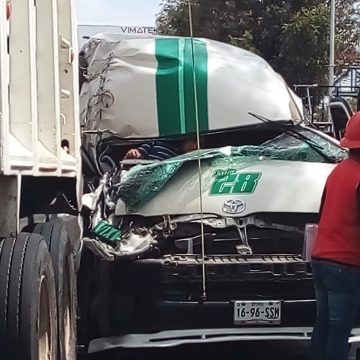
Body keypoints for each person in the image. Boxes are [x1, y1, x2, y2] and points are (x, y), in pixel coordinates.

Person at [311, 112, 360, 360]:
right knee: (339, 332)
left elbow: (323, 212)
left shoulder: (337, 172)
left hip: (321, 261)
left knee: (323, 327)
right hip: (346, 266)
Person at [123, 136, 201, 161]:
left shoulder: (186, 162)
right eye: (194, 140)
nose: (196, 146)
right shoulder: (157, 143)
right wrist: (133, 154)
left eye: (201, 145)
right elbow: (136, 155)